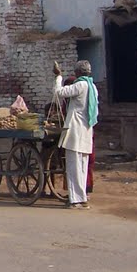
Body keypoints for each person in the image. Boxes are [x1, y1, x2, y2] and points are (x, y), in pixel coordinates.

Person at [53, 60, 99, 209]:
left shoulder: (81, 85)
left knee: (73, 166)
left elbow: (59, 92)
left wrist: (58, 77)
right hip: (86, 130)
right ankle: (82, 197)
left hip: (76, 130)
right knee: (83, 166)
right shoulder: (93, 87)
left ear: (78, 73)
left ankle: (75, 200)